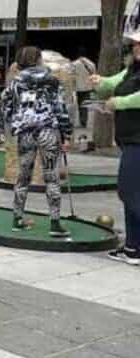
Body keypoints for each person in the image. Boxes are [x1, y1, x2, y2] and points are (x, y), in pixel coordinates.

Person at [2, 46, 72, 238]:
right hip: (48, 130)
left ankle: (17, 218)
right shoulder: (52, 81)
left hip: (26, 132)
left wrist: (15, 121)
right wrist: (67, 132)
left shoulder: (16, 82)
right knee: (52, 176)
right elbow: (60, 108)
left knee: (23, 175)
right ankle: (55, 222)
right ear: (39, 60)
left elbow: (6, 103)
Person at [91, 31, 140, 264]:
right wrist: (100, 82)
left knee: (129, 192)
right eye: (136, 44)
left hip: (138, 141)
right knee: (131, 194)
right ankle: (132, 248)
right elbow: (113, 83)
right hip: (130, 139)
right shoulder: (132, 69)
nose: (137, 48)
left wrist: (118, 102)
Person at [72, 47, 97, 128]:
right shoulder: (91, 64)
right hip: (88, 88)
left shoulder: (74, 64)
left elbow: (72, 76)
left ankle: (81, 121)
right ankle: (84, 121)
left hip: (79, 88)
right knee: (85, 105)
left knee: (79, 104)